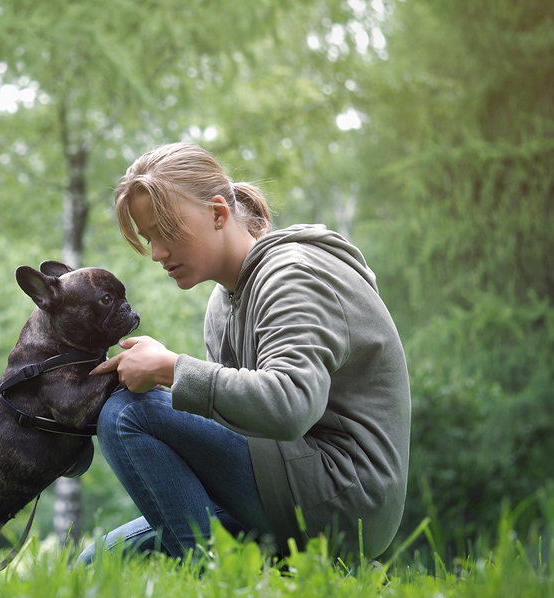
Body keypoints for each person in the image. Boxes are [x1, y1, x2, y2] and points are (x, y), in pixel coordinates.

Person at [78, 142, 410, 564]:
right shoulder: (221, 303)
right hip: (281, 480)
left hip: (343, 499)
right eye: (149, 238)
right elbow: (236, 427)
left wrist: (171, 369)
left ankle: (213, 589)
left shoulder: (293, 275)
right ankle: (258, 574)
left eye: (167, 232)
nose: (157, 253)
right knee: (93, 565)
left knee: (128, 413)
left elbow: (290, 407)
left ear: (218, 213)